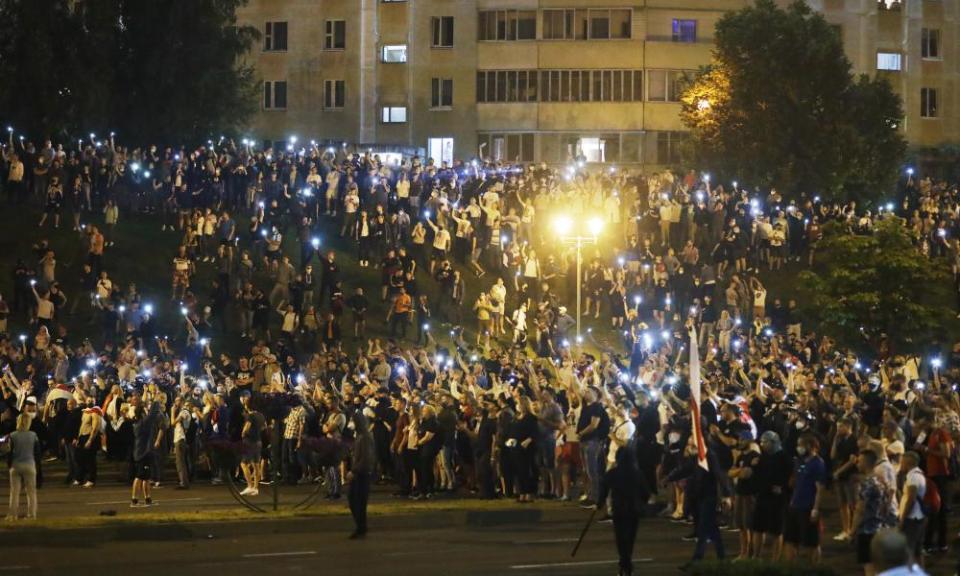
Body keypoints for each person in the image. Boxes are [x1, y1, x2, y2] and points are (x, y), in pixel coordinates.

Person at [595, 423, 648, 576]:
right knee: (630, 536)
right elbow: (646, 492)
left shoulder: (613, 473)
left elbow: (604, 488)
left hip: (619, 508)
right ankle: (627, 560)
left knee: (620, 537)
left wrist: (599, 504)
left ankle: (624, 561)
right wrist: (642, 502)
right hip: (633, 509)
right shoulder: (637, 473)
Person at [783, 433, 826, 562]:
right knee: (790, 539)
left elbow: (820, 489)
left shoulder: (818, 463)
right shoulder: (799, 461)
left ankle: (813, 569)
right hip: (794, 505)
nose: (799, 447)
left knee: (811, 543)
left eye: (802, 445)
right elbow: (794, 482)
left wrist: (815, 509)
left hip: (808, 507)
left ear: (812, 447)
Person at [347, 410, 376, 539]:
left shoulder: (364, 437)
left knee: (358, 501)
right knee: (354, 500)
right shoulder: (359, 436)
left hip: (361, 474)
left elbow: (365, 457)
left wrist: (354, 471)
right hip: (358, 472)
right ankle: (360, 526)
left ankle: (361, 527)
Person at [131, 393, 162, 507]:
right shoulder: (142, 423)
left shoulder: (139, 422)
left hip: (143, 453)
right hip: (142, 454)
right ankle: (134, 501)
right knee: (139, 477)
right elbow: (152, 414)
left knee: (145, 478)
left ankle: (148, 499)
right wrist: (156, 400)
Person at [7, 412, 40, 520]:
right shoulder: (33, 435)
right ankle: (31, 514)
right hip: (29, 464)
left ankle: (12, 515)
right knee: (31, 492)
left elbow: (10, 452)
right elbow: (37, 453)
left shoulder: (12, 435)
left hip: (16, 465)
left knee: (14, 492)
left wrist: (9, 465)